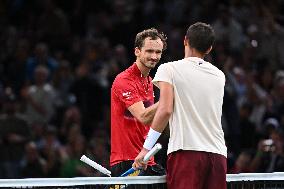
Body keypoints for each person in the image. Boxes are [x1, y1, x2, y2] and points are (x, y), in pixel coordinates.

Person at [133, 22, 227, 189]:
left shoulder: (169, 69)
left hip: (186, 153)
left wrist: (146, 149)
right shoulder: (219, 75)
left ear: (185, 41)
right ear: (209, 48)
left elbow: (165, 109)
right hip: (218, 156)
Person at [110, 28, 167, 177]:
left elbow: (151, 123)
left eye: (158, 52)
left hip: (148, 160)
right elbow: (143, 116)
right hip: (127, 162)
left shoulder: (150, 82)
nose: (154, 56)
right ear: (137, 51)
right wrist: (170, 98)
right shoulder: (124, 80)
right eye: (149, 51)